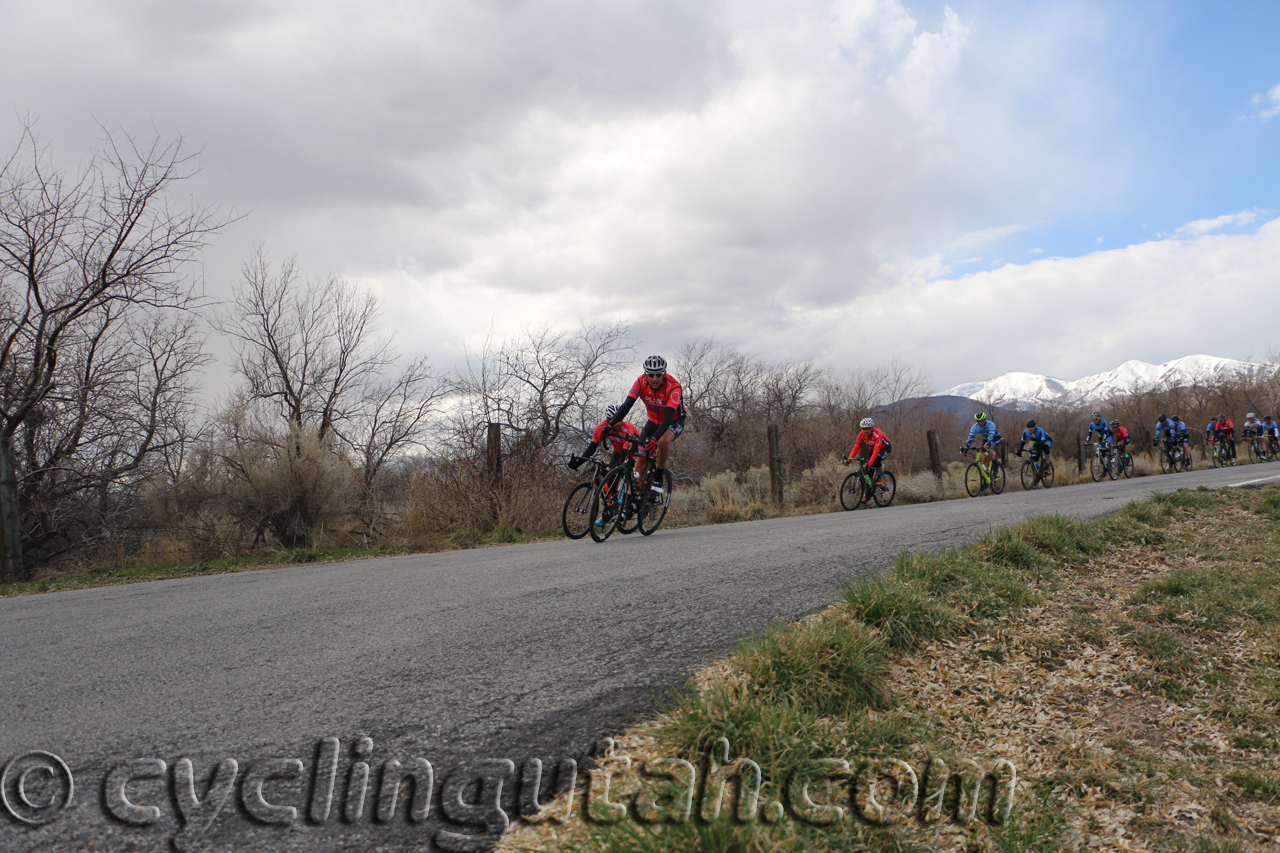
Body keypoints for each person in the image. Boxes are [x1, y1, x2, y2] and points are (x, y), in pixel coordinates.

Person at [606, 355, 686, 497]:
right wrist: (610, 425)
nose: (655, 378)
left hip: (673, 421)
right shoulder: (640, 382)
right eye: (651, 375)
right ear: (645, 374)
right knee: (640, 460)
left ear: (664, 374)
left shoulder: (674, 387)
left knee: (662, 441)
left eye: (658, 375)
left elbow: (668, 417)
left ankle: (659, 478)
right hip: (653, 421)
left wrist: (655, 438)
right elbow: (626, 406)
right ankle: (630, 501)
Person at [568, 404, 642, 473]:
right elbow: (591, 448)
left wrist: (611, 470)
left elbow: (623, 457)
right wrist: (578, 463)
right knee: (609, 480)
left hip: (636, 453)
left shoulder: (626, 429)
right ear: (608, 420)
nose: (619, 423)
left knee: (620, 474)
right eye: (615, 421)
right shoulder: (601, 427)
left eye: (620, 420)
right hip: (618, 452)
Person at [844, 417, 892, 503]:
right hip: (873, 449)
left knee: (875, 460)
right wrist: (849, 460)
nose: (865, 431)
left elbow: (876, 452)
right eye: (863, 429)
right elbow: (856, 447)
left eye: (867, 429)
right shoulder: (861, 434)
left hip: (884, 449)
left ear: (871, 428)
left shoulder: (877, 435)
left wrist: (869, 464)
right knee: (868, 474)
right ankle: (867, 493)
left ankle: (882, 476)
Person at [960, 412, 1002, 486]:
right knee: (984, 460)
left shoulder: (990, 425)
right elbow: (970, 439)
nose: (980, 423)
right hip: (986, 439)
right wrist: (966, 448)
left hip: (996, 438)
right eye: (978, 421)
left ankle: (995, 464)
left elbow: (990, 438)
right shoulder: (974, 427)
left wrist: (987, 448)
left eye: (982, 421)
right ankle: (985, 480)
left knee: (987, 447)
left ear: (985, 419)